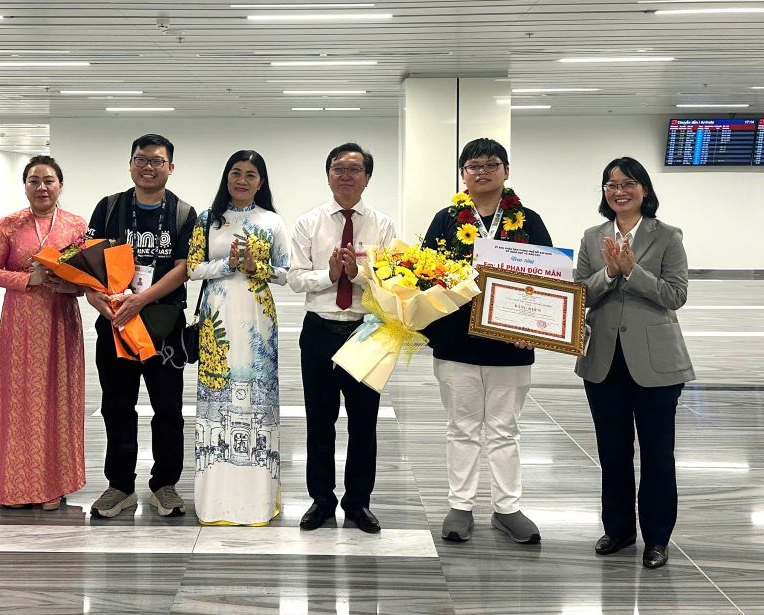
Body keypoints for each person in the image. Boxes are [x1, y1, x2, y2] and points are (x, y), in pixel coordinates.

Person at [422, 137, 551, 545]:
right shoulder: (445, 219)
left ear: (506, 171)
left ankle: (507, 509)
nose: (482, 171)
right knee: (461, 428)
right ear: (463, 174)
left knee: (504, 429)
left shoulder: (528, 220)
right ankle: (460, 506)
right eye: (473, 165)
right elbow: (423, 278)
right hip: (456, 343)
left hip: (510, 345)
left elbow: (549, 279)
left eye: (491, 164)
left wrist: (533, 326)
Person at [576, 157, 694, 569]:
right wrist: (608, 273)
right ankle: (619, 529)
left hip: (657, 364)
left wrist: (634, 272)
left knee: (658, 455)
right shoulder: (593, 237)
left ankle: (657, 538)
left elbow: (676, 294)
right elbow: (580, 296)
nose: (619, 191)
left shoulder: (667, 236)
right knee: (613, 452)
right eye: (611, 184)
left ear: (644, 190)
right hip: (603, 362)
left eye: (628, 183)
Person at [85, 133, 197, 518]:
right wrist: (95, 298)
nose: (148, 167)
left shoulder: (184, 213)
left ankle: (165, 485)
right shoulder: (110, 207)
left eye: (157, 160)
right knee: (117, 406)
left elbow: (184, 267)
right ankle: (120, 486)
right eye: (141, 159)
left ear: (170, 167)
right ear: (130, 164)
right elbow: (89, 261)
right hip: (115, 324)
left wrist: (141, 299)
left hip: (163, 325)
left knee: (168, 409)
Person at [288, 142, 396, 534]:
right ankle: (321, 500)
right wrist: (330, 275)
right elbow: (295, 277)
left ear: (367, 177)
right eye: (338, 168)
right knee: (320, 421)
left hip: (367, 331)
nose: (345, 175)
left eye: (354, 169)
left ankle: (357, 503)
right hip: (319, 329)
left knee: (364, 424)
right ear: (328, 174)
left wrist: (360, 273)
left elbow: (393, 281)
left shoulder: (382, 225)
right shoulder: (308, 223)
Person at [187, 150, 290, 525]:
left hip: (258, 317)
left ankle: (257, 498)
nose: (242, 180)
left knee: (256, 401)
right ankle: (216, 499)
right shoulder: (207, 220)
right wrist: (226, 265)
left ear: (261, 182)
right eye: (236, 172)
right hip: (217, 317)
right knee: (219, 401)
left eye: (250, 174)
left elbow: (285, 273)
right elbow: (192, 268)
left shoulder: (272, 221)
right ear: (226, 177)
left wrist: (255, 266)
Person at [0, 155, 88, 511]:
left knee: (58, 400)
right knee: (21, 402)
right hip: (21, 324)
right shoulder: (8, 225)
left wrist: (68, 284)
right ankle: (17, 485)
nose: (42, 187)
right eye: (34, 181)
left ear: (60, 185)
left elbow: (90, 277)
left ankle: (54, 486)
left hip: (61, 321)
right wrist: (29, 279)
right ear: (25, 185)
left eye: (49, 181)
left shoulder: (75, 225)